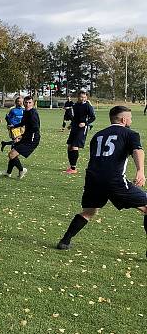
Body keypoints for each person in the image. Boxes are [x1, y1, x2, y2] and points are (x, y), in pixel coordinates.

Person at [57, 105, 147, 254]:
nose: (131, 120)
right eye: (130, 118)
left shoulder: (97, 135)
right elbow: (137, 150)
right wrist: (140, 171)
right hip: (114, 181)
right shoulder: (130, 134)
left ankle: (64, 241)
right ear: (124, 119)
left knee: (89, 211)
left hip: (93, 179)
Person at [0, 95, 39, 178]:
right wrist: (13, 126)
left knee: (12, 154)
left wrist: (21, 137)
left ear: (33, 104)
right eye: (26, 102)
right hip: (27, 136)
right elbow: (23, 123)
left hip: (32, 139)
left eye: (30, 103)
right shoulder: (26, 112)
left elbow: (35, 128)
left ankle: (22, 169)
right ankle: (8, 173)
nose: (27, 104)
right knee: (13, 153)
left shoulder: (33, 113)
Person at [65, 90, 96, 174]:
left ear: (86, 98)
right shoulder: (75, 105)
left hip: (82, 129)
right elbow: (75, 117)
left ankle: (73, 168)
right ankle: (71, 166)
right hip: (74, 127)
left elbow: (93, 117)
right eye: (81, 97)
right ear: (78, 97)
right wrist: (71, 125)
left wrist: (85, 123)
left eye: (84, 97)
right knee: (69, 146)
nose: (82, 99)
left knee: (75, 146)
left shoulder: (88, 106)